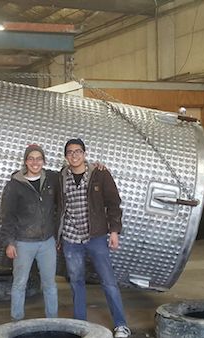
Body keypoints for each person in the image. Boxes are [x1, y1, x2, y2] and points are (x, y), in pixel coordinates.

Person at [58, 138, 131, 338]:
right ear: (66, 157)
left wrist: (114, 231)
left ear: (85, 154)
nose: (74, 155)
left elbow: (114, 202)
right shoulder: (60, 177)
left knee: (108, 281)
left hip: (96, 236)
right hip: (71, 239)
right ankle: (80, 324)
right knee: (76, 281)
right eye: (70, 152)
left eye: (78, 151)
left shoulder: (100, 174)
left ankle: (121, 324)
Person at [0, 144, 59, 321]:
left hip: (47, 242)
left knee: (50, 284)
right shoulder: (14, 185)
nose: (35, 162)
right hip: (23, 243)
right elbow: (7, 215)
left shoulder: (52, 179)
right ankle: (17, 321)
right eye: (31, 158)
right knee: (19, 284)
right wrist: (9, 242)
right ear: (26, 161)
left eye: (39, 158)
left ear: (43, 161)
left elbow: (71, 170)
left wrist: (92, 166)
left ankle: (53, 321)